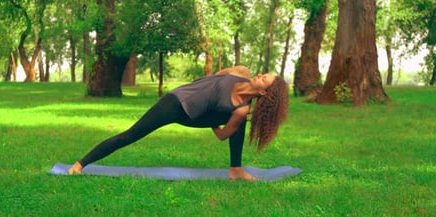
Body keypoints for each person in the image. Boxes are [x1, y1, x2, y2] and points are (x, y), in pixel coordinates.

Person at [68, 65, 289, 180]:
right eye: (262, 74)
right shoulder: (240, 72)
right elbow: (215, 77)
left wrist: (213, 119)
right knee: (130, 135)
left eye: (264, 79)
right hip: (175, 102)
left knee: (239, 119)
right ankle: (80, 164)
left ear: (263, 92)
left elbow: (222, 136)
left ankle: (236, 170)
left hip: (193, 116)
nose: (259, 75)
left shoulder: (241, 111)